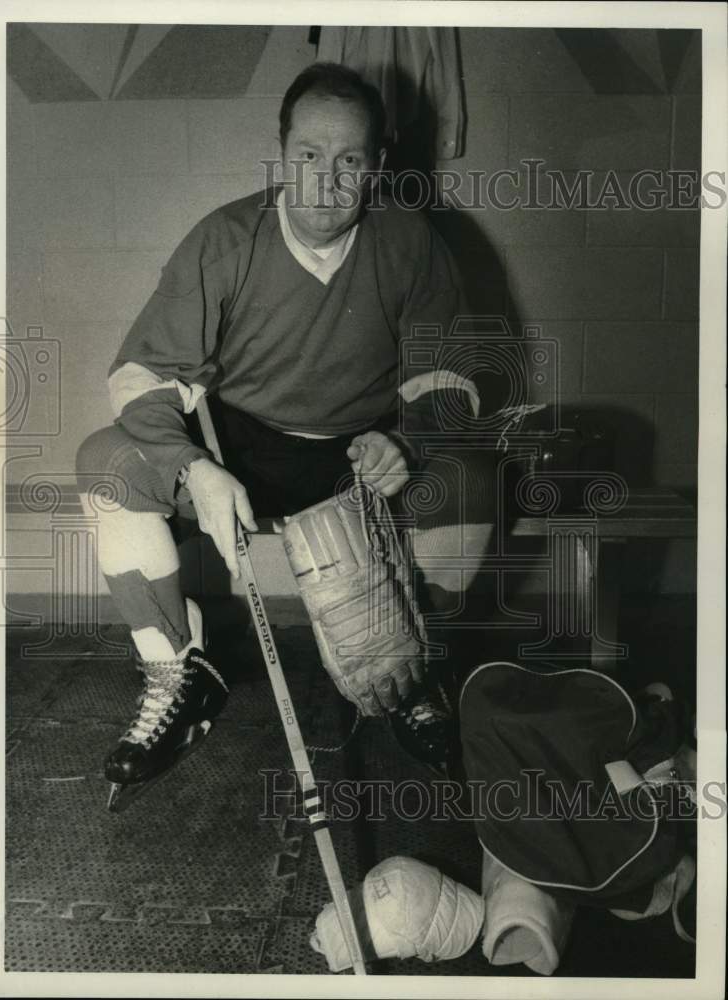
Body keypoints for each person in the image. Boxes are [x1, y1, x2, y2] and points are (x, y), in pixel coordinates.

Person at [76, 63, 496, 807]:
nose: (325, 181)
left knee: (469, 481)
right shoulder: (225, 239)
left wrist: (409, 443)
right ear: (280, 154)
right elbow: (139, 375)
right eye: (308, 155)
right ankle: (179, 674)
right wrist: (195, 469)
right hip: (244, 448)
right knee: (106, 461)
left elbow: (447, 379)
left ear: (378, 166)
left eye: (349, 161)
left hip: (360, 453)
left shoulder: (410, 242)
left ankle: (419, 675)